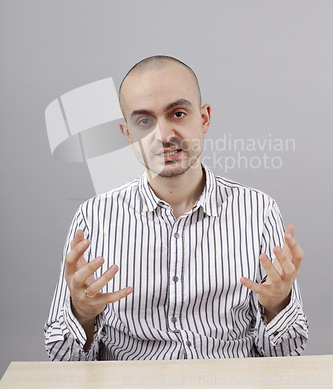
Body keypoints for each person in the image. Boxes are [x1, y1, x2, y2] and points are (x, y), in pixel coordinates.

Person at [44, 55, 308, 361]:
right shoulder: (94, 218)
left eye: (178, 113)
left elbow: (289, 354)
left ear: (204, 118)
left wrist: (277, 306)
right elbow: (62, 360)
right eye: (144, 121)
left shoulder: (258, 211)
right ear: (128, 135)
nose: (165, 135)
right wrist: (82, 314)